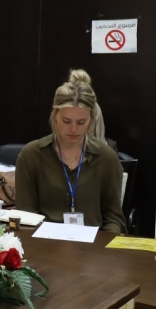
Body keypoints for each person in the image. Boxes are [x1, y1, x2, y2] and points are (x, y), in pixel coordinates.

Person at [15, 70, 126, 233]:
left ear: (91, 118)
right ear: (55, 114)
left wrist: (103, 250)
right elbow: (26, 217)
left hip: (93, 249)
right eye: (66, 121)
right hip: (44, 246)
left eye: (81, 122)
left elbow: (114, 219)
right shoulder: (31, 155)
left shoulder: (107, 158)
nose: (73, 129)